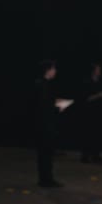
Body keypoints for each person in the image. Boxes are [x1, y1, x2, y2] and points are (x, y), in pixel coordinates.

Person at [34, 59, 67, 188]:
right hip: (45, 124)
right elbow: (44, 106)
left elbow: (47, 101)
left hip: (43, 123)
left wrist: (57, 102)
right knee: (45, 153)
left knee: (45, 153)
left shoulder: (43, 84)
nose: (55, 71)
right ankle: (46, 180)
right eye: (54, 68)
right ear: (48, 70)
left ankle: (46, 178)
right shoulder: (43, 84)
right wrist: (59, 107)